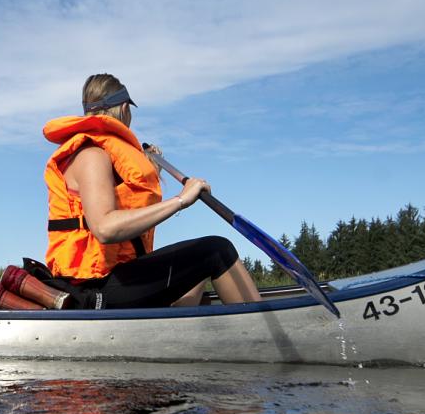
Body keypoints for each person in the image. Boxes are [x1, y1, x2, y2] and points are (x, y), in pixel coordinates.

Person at [41, 73, 264, 309]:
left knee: (193, 270)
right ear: (124, 108)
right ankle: (260, 330)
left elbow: (127, 212)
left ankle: (175, 330)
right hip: (93, 287)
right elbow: (105, 228)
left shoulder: (103, 156)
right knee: (217, 250)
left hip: (113, 277)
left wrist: (151, 173)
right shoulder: (91, 155)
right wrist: (181, 199)